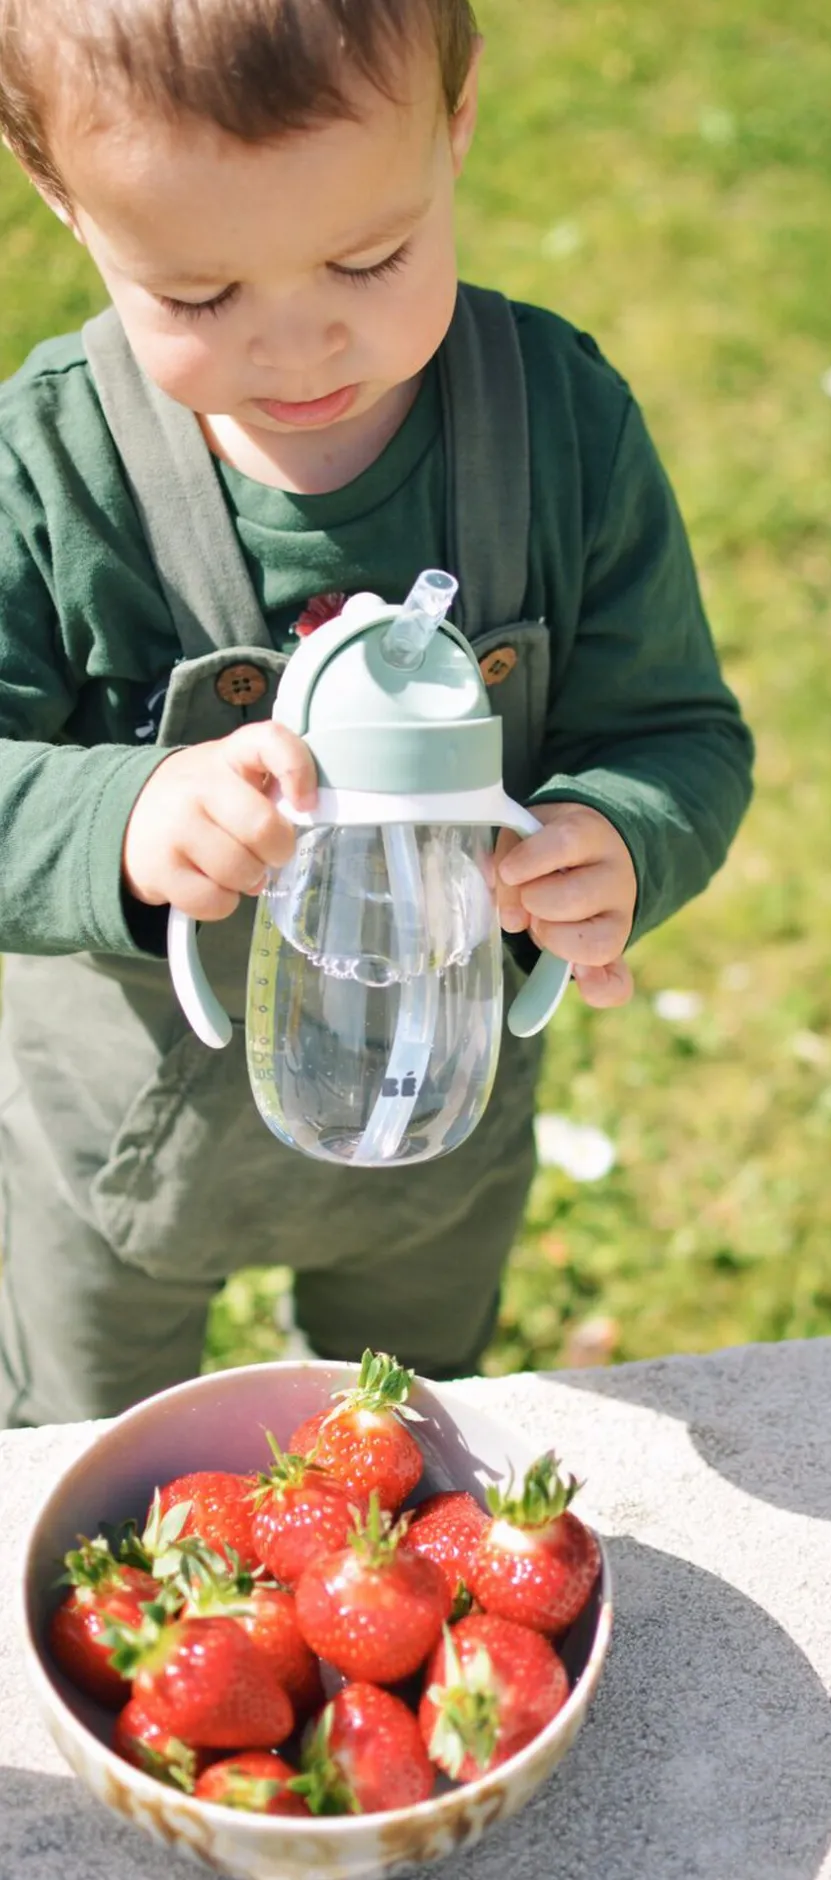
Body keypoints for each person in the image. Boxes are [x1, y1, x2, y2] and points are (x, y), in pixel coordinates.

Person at [0, 0, 754, 1427]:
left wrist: (621, 835)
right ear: (61, 195)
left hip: (436, 1124)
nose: (298, 347)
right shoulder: (50, 471)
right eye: (199, 297)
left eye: (368, 260)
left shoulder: (558, 427)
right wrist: (126, 816)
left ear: (454, 126)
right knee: (94, 1455)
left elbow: (678, 735)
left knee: (403, 1427)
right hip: (120, 1154)